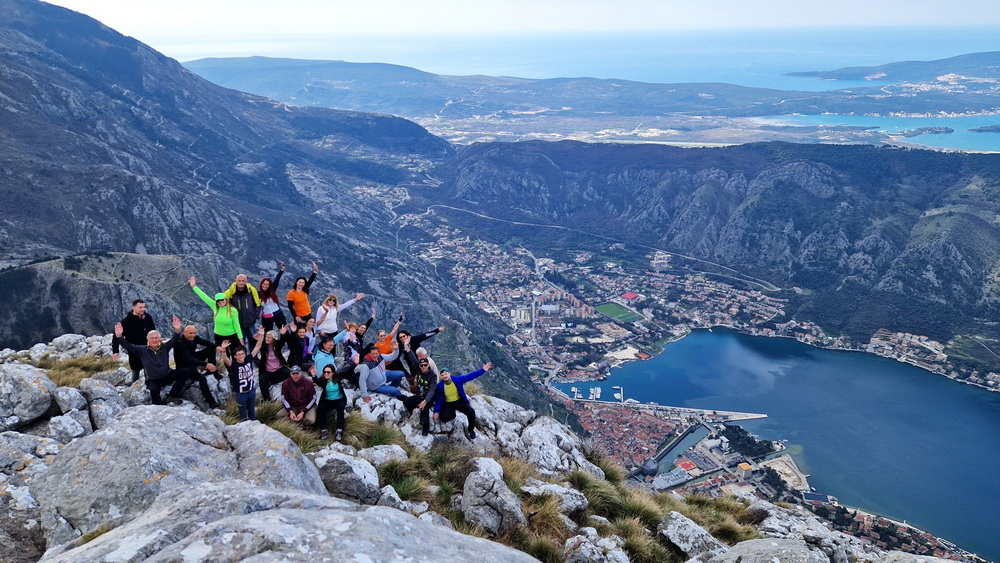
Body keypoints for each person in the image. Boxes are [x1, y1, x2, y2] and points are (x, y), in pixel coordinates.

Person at [113, 316, 185, 405]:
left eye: (156, 338)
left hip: (167, 375)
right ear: (148, 339)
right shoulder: (142, 350)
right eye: (152, 338)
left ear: (160, 339)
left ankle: (171, 396)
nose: (154, 340)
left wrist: (177, 330)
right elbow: (128, 346)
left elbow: (174, 340)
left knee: (184, 372)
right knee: (154, 391)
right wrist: (119, 337)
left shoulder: (165, 347)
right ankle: (159, 409)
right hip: (153, 380)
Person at [434, 362, 493, 440]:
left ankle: (471, 429)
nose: (444, 376)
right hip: (448, 403)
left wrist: (483, 370)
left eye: (446, 374)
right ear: (441, 377)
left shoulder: (457, 380)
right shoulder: (440, 386)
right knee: (443, 418)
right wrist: (436, 411)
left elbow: (470, 376)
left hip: (459, 401)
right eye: (442, 375)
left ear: (449, 374)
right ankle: (453, 414)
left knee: (471, 412)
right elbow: (438, 399)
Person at [189, 276, 243, 357]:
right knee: (225, 356)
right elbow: (204, 297)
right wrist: (194, 287)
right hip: (219, 336)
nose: (220, 302)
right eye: (218, 301)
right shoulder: (215, 307)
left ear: (226, 299)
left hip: (232, 336)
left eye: (222, 300)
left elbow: (237, 325)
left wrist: (240, 338)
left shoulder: (233, 310)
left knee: (236, 355)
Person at [172, 324, 222, 409]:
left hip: (193, 358)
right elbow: (188, 359)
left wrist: (217, 347)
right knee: (202, 378)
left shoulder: (194, 338)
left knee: (210, 349)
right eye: (190, 333)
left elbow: (206, 342)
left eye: (194, 333)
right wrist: (206, 364)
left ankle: (213, 372)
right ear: (184, 333)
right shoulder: (180, 343)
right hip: (185, 365)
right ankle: (211, 401)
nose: (193, 335)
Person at [220, 327, 265, 421]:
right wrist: (223, 349)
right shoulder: (234, 365)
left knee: (252, 413)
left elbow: (257, 347)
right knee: (243, 415)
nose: (241, 356)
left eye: (242, 354)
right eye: (238, 354)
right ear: (235, 357)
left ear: (245, 354)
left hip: (251, 391)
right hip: (241, 394)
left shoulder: (248, 359)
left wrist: (261, 335)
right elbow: (225, 359)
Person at [111, 299, 156, 383]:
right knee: (135, 369)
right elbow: (116, 336)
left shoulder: (148, 318)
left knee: (149, 368)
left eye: (144, 307)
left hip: (147, 348)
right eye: (140, 307)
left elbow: (153, 331)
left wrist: (156, 344)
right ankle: (134, 387)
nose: (143, 309)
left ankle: (150, 385)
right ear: (133, 307)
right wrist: (115, 351)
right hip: (133, 349)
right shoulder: (126, 321)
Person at [402, 344, 438, 436]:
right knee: (406, 401)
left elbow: (432, 390)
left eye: (425, 365)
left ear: (428, 365)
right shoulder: (419, 370)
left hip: (430, 396)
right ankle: (414, 413)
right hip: (421, 394)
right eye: (421, 365)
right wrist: (407, 347)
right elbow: (412, 358)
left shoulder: (432, 376)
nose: (423, 367)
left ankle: (425, 428)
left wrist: (425, 401)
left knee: (424, 407)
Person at [224, 273, 261, 349]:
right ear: (236, 281)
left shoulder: (251, 290)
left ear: (246, 281)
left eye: (243, 281)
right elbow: (222, 302)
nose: (241, 283)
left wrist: (255, 316)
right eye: (239, 281)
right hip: (238, 323)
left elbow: (258, 303)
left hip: (250, 322)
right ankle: (243, 356)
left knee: (253, 340)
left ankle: (253, 355)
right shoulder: (230, 291)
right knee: (241, 342)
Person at [257, 326, 292, 402]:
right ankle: (267, 399)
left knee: (288, 373)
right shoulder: (263, 346)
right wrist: (261, 335)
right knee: (262, 381)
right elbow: (257, 345)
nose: (266, 339)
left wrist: (283, 334)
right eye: (266, 337)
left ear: (273, 339)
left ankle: (272, 381)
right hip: (267, 370)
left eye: (269, 337)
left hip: (279, 368)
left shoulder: (277, 345)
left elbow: (282, 342)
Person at [313, 364, 347, 441]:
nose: (326, 374)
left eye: (328, 372)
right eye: (324, 372)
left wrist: (355, 363)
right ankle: (323, 430)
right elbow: (317, 382)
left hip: (339, 399)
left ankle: (339, 430)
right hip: (327, 399)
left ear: (332, 373)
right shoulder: (323, 380)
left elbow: (347, 371)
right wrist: (314, 376)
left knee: (340, 410)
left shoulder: (338, 377)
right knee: (320, 409)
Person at [259, 261, 286, 332]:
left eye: (267, 284)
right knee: (267, 334)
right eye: (264, 284)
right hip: (266, 317)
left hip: (278, 314)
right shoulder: (258, 294)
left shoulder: (272, 290)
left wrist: (282, 270)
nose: (265, 286)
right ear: (261, 284)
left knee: (284, 331)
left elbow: (277, 279)